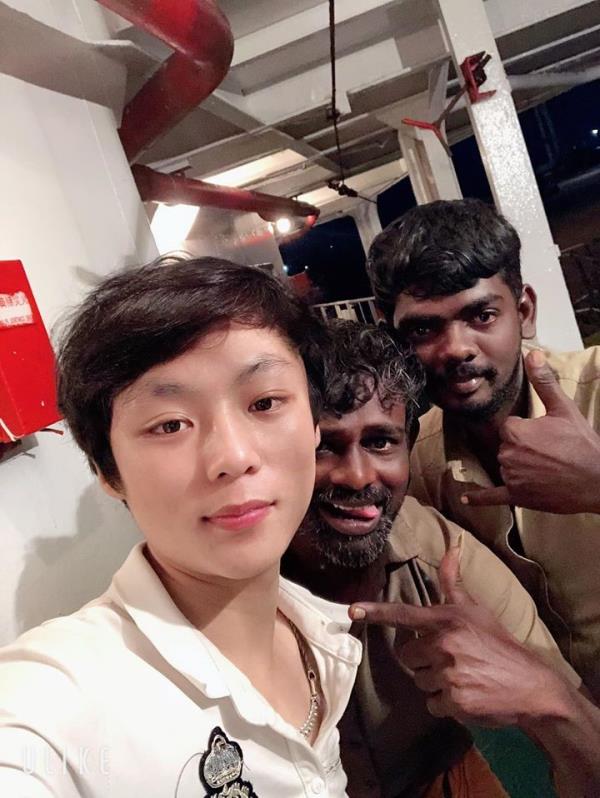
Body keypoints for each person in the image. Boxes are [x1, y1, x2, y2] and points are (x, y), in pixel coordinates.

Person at [0, 258, 361, 798]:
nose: (232, 456)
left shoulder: (322, 632)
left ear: (313, 423)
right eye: (169, 425)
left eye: (264, 403)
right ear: (107, 472)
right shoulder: (59, 701)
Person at [282, 319, 600, 798]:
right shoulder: (222, 576)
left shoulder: (450, 566)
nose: (357, 476)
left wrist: (548, 700)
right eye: (323, 446)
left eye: (380, 442)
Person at [367, 198, 600, 700]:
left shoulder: (597, 389)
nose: (456, 348)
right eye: (424, 329)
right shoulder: (414, 462)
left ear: (524, 311)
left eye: (482, 315)